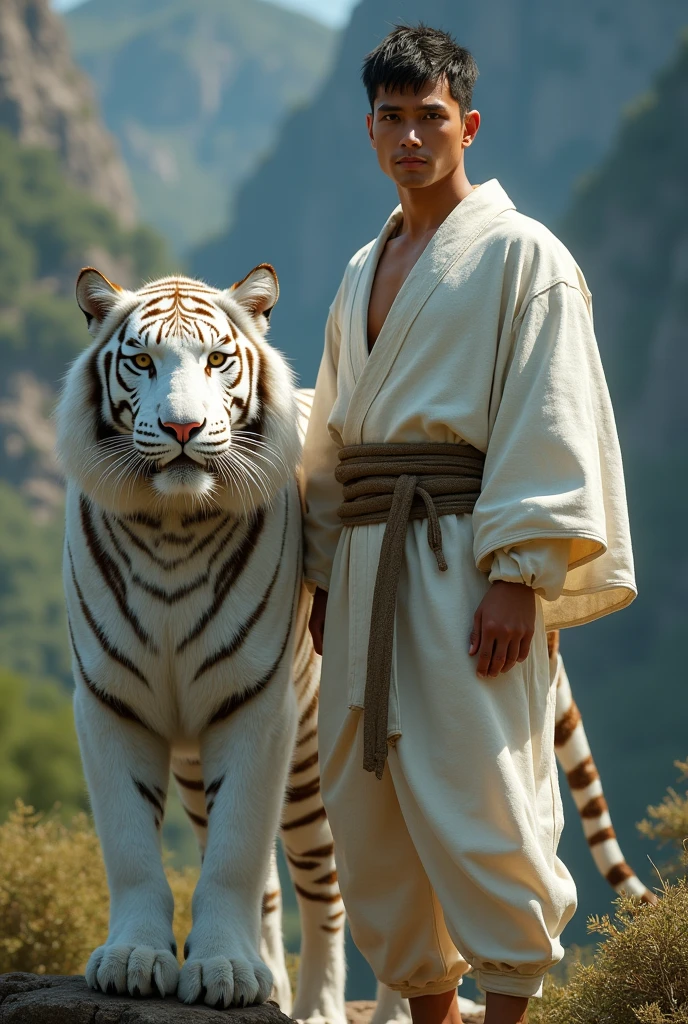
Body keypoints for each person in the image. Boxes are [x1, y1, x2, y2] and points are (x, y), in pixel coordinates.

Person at [301, 24, 636, 1024]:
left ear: (468, 126)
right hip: (364, 566)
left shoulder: (523, 257)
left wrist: (519, 574)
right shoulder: (363, 267)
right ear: (369, 131)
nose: (411, 138)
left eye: (431, 119)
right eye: (392, 120)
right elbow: (330, 437)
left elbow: (551, 408)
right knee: (367, 813)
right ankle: (430, 1016)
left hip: (462, 559)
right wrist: (322, 575)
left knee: (480, 796)